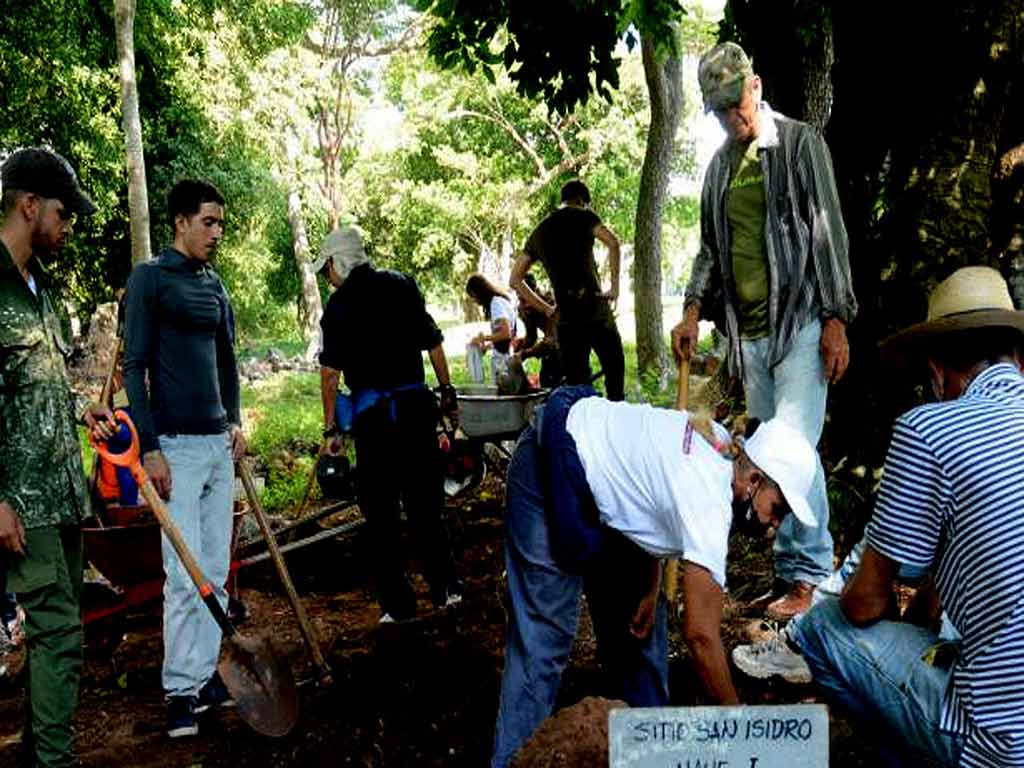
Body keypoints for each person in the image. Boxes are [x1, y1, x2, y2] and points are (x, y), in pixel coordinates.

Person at [490, 385, 818, 768]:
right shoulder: (711, 496)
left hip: (600, 482)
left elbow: (650, 497)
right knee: (543, 636)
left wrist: (649, 587)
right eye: (776, 510)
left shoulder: (721, 447)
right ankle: (511, 759)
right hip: (550, 462)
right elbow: (700, 634)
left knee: (642, 627)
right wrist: (740, 728)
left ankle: (646, 751)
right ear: (756, 480)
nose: (772, 526)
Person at [778, 266, 1024, 767]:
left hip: (1006, 743)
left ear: (936, 370)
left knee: (821, 627)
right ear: (1017, 356)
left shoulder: (929, 430)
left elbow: (863, 604)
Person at [671, 41, 857, 620]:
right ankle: (788, 573)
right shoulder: (719, 168)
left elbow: (829, 230)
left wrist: (834, 318)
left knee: (795, 453)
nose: (732, 118)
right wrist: (693, 308)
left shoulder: (800, 144)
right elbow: (709, 248)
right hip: (748, 335)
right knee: (766, 456)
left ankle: (810, 577)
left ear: (754, 86)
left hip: (799, 322)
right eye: (720, 111)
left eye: (736, 103)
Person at [0, 147, 113, 766]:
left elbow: (34, 382)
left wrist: (80, 408)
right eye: (62, 213)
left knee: (58, 633)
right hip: (22, 500)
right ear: (28, 205)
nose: (68, 226)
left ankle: (37, 751)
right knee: (58, 632)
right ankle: (54, 760)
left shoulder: (37, 286)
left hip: (62, 491)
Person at [122, 179, 244, 738]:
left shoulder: (214, 285)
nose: (216, 233)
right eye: (208, 223)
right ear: (180, 222)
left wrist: (235, 422)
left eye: (220, 224)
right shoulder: (150, 279)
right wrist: (149, 447)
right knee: (182, 575)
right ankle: (179, 690)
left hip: (218, 445)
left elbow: (227, 362)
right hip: (174, 448)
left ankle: (205, 676)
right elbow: (135, 367)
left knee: (216, 569)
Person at [315, 226, 461, 624]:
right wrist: (447, 392)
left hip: (374, 420)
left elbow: (330, 375)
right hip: (416, 410)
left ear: (336, 263)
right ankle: (446, 588)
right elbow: (433, 343)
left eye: (326, 269)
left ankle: (397, 606)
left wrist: (331, 432)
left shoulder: (339, 306)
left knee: (381, 514)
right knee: (427, 502)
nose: (327, 277)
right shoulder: (402, 285)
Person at [511, 180, 625, 401]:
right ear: (583, 201)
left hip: (566, 319)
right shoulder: (585, 217)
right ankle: (616, 424)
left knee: (577, 389)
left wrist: (546, 309)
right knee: (615, 377)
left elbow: (515, 279)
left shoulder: (540, 231)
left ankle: (581, 429)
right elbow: (613, 243)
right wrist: (615, 287)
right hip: (596, 311)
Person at [465, 273, 517, 385]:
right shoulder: (498, 302)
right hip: (505, 358)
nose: (474, 301)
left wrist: (483, 338)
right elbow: (505, 337)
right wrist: (488, 346)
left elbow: (506, 334)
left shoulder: (496, 304)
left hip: (504, 362)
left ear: (477, 292)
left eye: (473, 296)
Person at [513, 274, 561, 389]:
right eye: (520, 299)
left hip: (567, 347)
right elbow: (531, 337)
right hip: (551, 350)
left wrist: (525, 354)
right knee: (546, 382)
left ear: (535, 294)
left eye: (526, 299)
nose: (524, 304)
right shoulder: (523, 309)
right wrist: (519, 349)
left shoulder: (550, 304)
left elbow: (551, 342)